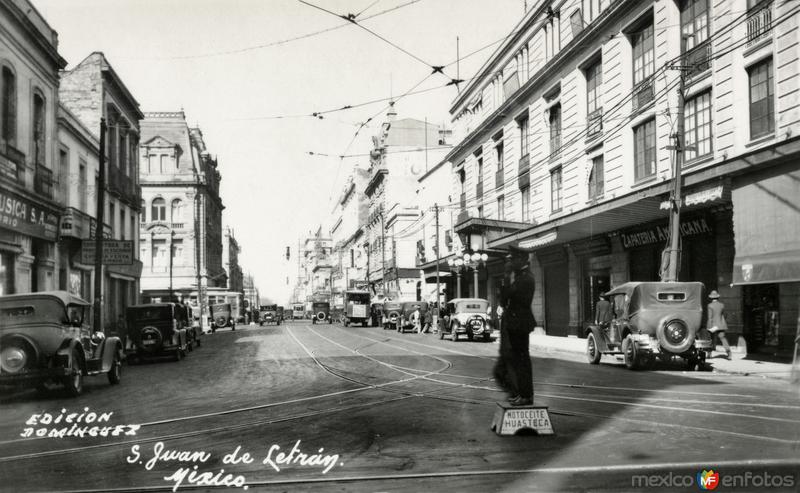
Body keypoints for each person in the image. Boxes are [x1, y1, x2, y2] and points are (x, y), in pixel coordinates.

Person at [492, 249, 536, 407]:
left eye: (515, 259)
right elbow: (503, 302)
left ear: (523, 259)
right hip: (516, 323)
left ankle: (526, 395)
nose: (512, 263)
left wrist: (506, 277)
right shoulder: (520, 277)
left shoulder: (525, 278)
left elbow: (504, 297)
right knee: (519, 361)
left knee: (522, 361)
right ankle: (523, 394)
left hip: (520, 323)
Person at [707, 290, 732, 360]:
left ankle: (709, 354)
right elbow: (725, 315)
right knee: (723, 339)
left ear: (711, 298)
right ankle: (729, 353)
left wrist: (709, 327)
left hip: (713, 325)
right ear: (717, 298)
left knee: (710, 340)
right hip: (721, 325)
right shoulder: (722, 305)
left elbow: (710, 317)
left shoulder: (710, 306)